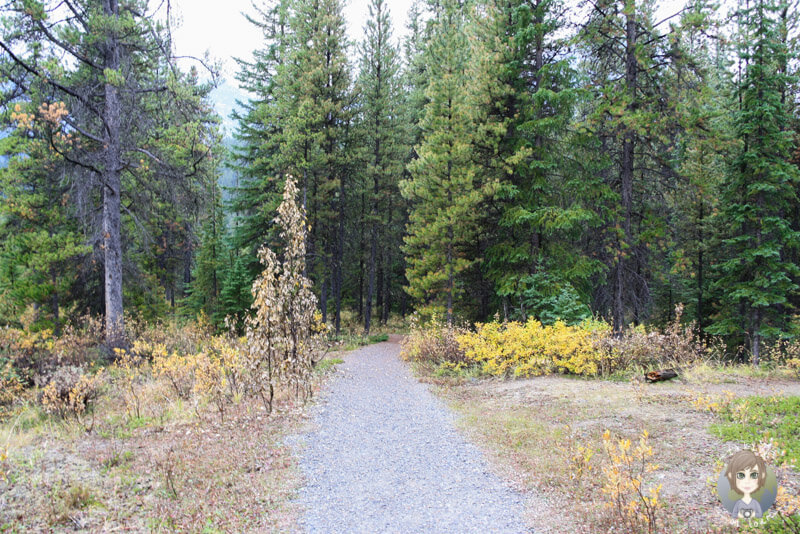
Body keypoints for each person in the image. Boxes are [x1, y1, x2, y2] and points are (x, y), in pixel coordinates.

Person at [725, 449, 766, 519]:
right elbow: (734, 515)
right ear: (731, 476)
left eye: (754, 475)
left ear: (762, 476)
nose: (747, 481)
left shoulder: (755, 503)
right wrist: (740, 515)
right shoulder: (739, 503)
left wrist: (753, 515)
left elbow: (760, 514)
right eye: (741, 475)